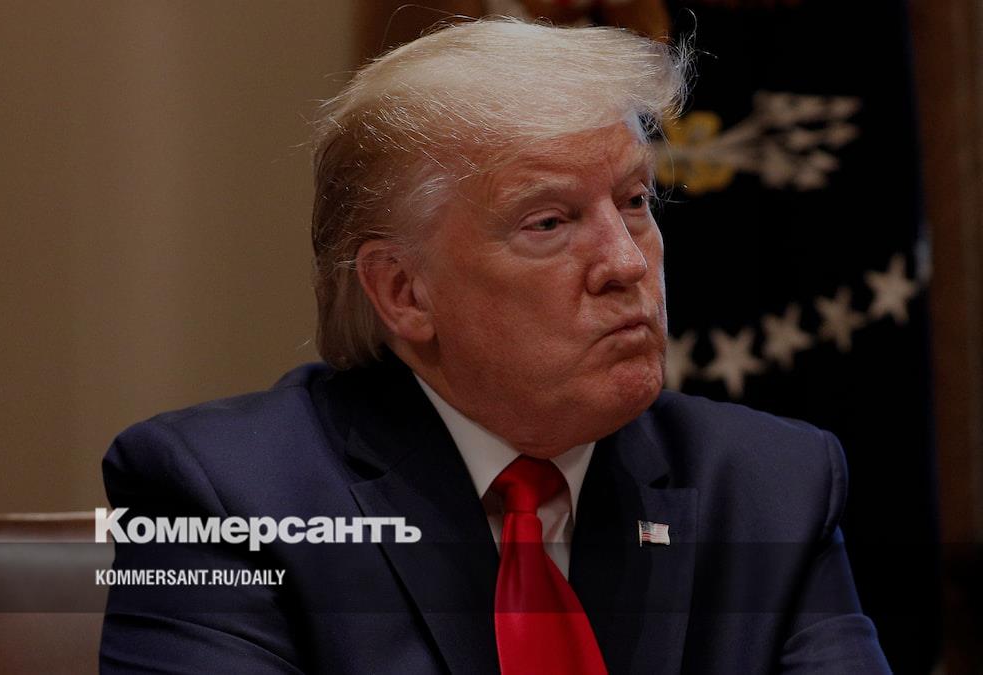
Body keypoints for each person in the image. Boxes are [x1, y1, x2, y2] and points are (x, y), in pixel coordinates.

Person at [99, 18, 890, 674]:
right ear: (404, 292)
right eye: (549, 222)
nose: (624, 262)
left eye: (634, 201)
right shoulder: (223, 498)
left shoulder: (769, 487)